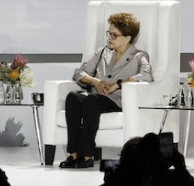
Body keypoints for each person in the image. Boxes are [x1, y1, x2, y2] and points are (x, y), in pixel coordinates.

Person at [59, 12, 151, 169]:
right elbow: (79, 73)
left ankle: (87, 156)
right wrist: (95, 81)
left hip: (116, 100)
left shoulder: (139, 56)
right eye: (109, 33)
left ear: (128, 38)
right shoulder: (102, 52)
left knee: (90, 100)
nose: (110, 38)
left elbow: (146, 75)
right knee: (73, 97)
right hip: (95, 97)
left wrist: (118, 83)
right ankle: (73, 154)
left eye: (115, 35)